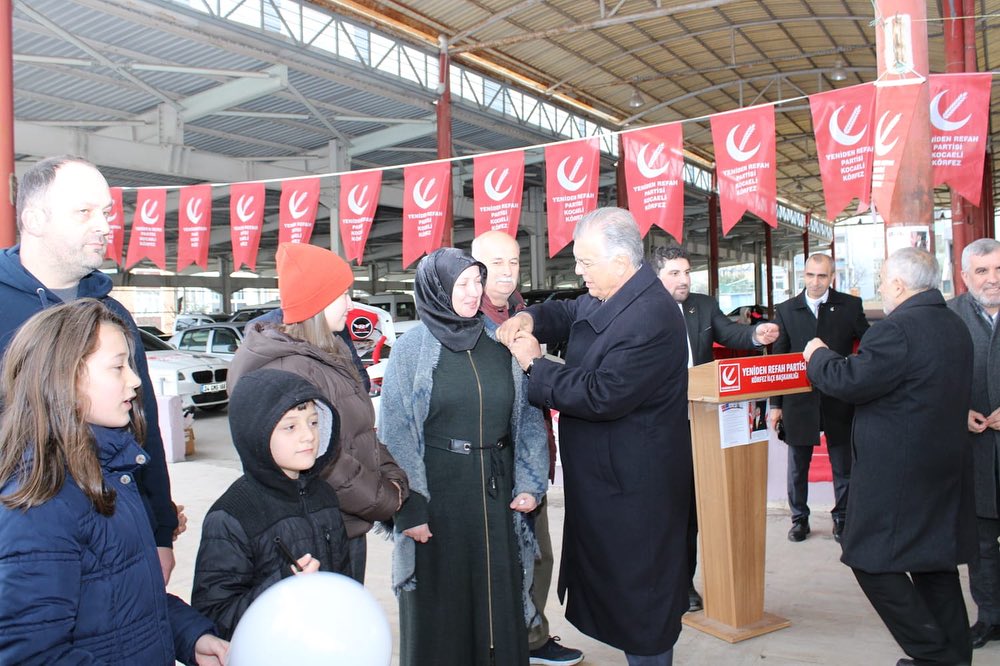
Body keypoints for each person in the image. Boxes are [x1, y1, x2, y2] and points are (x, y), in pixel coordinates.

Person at [498, 207, 691, 665]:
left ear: (621, 264)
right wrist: (531, 320)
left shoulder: (650, 316)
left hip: (637, 489)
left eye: (586, 263)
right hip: (612, 480)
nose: (579, 271)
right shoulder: (618, 294)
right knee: (624, 593)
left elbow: (601, 394)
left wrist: (534, 363)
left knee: (643, 602)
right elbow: (568, 311)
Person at [0, 299, 228, 665]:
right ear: (65, 378)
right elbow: (32, 655)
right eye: (118, 367)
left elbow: (129, 598)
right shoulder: (41, 501)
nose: (135, 381)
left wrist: (190, 635)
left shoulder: (111, 472)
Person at [0, 155, 179, 582]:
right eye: (84, 212)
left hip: (119, 529)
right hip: (27, 541)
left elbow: (144, 426)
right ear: (34, 219)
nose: (104, 226)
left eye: (106, 212)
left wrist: (161, 529)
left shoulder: (111, 312)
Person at [804, 247, 976, 666]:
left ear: (899, 285)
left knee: (869, 560)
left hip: (899, 477)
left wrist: (818, 355)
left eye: (882, 280)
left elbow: (850, 381)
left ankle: (932, 654)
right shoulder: (953, 324)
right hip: (942, 467)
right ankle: (955, 655)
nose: (881, 287)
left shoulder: (896, 330)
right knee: (934, 564)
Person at [380, 247, 549, 666]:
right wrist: (409, 509)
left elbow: (528, 419)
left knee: (499, 598)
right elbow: (395, 432)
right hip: (437, 498)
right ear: (436, 289)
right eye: (462, 284)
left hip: (497, 495)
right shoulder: (411, 350)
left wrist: (530, 482)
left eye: (478, 280)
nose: (474, 292)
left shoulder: (499, 344)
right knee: (444, 609)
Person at [229, 242, 408, 584]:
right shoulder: (290, 368)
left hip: (341, 523)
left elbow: (358, 434)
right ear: (317, 301)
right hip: (311, 534)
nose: (349, 303)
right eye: (342, 294)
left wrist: (391, 475)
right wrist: (384, 498)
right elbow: (324, 461)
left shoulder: (328, 351)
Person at [471, 230, 584, 666]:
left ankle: (532, 639)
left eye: (513, 262)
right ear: (475, 267)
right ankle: (497, 643)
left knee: (538, 554)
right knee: (494, 561)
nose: (506, 272)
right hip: (487, 463)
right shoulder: (464, 321)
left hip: (530, 457)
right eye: (495, 263)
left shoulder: (522, 311)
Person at [650, 244, 779, 612]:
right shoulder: (643, 309)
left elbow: (731, 334)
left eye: (687, 272)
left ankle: (684, 583)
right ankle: (659, 581)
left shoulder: (702, 306)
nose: (684, 280)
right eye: (675, 273)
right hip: (657, 425)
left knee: (692, 508)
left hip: (701, 422)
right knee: (663, 509)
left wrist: (758, 335)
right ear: (658, 275)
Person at [191, 368, 350, 639]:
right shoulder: (231, 516)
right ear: (256, 433)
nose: (309, 436)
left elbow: (344, 581)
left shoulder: (324, 495)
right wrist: (283, 587)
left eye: (313, 422)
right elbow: (214, 616)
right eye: (290, 427)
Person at [767, 253, 868, 543]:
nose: (815, 281)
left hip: (839, 397)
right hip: (798, 401)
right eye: (810, 275)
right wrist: (776, 405)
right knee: (797, 467)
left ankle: (842, 519)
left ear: (832, 277)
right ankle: (799, 519)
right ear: (803, 275)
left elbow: (869, 344)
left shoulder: (850, 306)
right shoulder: (786, 310)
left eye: (822, 276)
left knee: (843, 465)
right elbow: (778, 361)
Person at [948, 237, 1000, 650]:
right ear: (965, 277)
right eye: (982, 271)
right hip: (974, 449)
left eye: (999, 269)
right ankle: (989, 616)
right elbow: (930, 382)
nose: (992, 279)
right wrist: (957, 411)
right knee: (981, 542)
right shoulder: (948, 318)